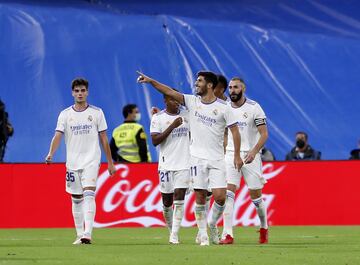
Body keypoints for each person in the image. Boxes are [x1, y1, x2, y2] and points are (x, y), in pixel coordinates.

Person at [137, 70, 242, 246]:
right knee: (200, 196)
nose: (196, 83)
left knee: (220, 197)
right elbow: (169, 92)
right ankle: (203, 235)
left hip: (217, 158)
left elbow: (235, 132)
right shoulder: (192, 102)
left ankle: (212, 223)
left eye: (199, 81)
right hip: (196, 158)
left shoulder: (224, 108)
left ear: (209, 85)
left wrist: (237, 155)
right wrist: (150, 80)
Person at [45, 78, 116, 245]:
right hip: (72, 162)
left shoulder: (97, 113)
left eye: (82, 90)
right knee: (76, 198)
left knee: (89, 194)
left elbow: (104, 139)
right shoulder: (65, 114)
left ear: (87, 92)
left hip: (91, 160)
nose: (80, 93)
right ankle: (79, 234)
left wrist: (110, 162)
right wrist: (50, 154)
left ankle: (87, 233)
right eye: (77, 91)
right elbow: (57, 136)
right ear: (72, 93)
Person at [220, 77, 269, 245]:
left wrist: (254, 152)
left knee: (256, 197)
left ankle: (264, 227)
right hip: (231, 154)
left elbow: (264, 134)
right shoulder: (225, 108)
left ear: (243, 89)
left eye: (236, 87)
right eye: (230, 87)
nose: (232, 90)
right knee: (229, 192)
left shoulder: (254, 108)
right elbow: (224, 133)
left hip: (250, 156)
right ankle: (228, 234)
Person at [150, 92, 190, 244]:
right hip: (166, 165)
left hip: (184, 163)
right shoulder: (158, 118)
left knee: (179, 197)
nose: (176, 102)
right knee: (167, 202)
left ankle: (174, 235)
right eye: (172, 99)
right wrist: (173, 126)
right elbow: (155, 141)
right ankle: (171, 229)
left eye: (177, 99)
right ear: (165, 100)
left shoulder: (187, 115)